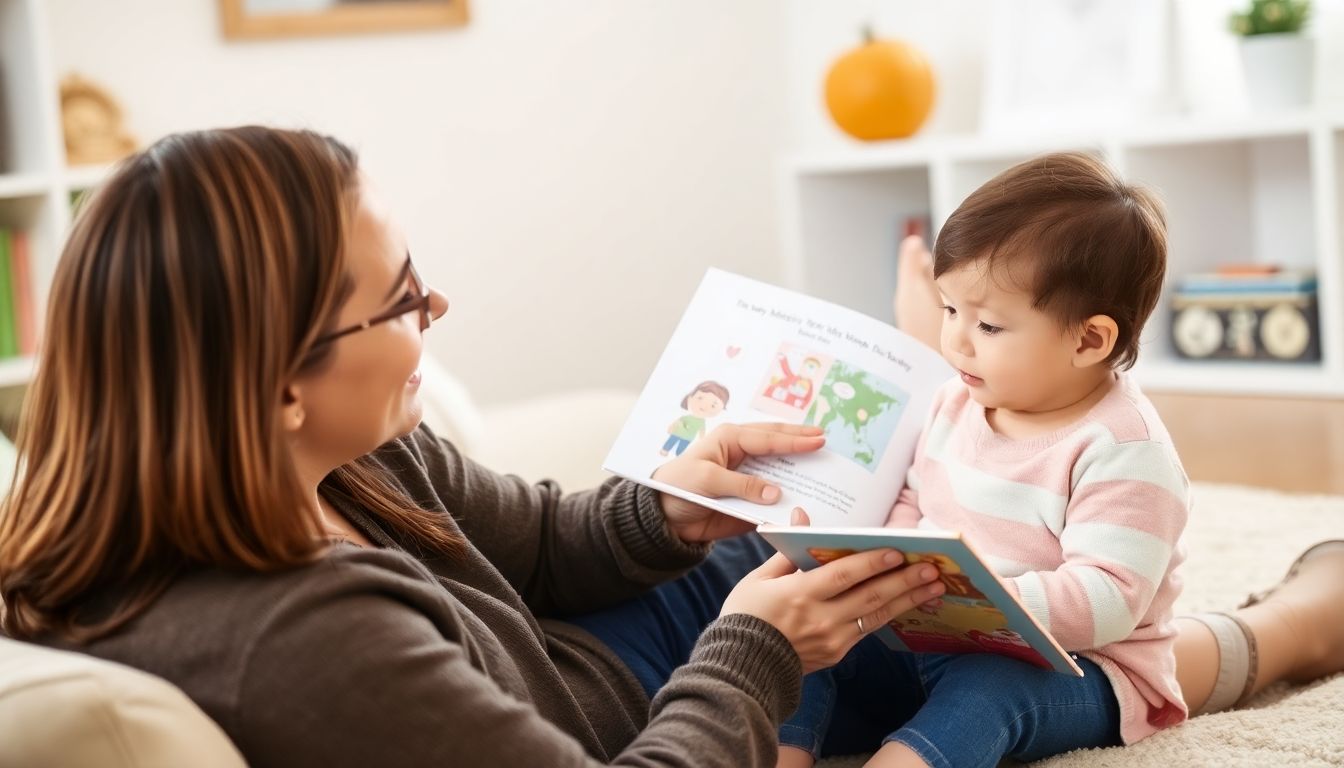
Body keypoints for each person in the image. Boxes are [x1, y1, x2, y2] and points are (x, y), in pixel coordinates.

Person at [0, 126, 945, 768]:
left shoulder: (335, 458)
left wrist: (660, 511)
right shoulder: (299, 642)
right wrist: (757, 652)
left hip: (611, 648)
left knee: (873, 522)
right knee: (949, 587)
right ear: (283, 383)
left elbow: (532, 542)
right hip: (660, 699)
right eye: (403, 298)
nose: (437, 307)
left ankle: (952, 385)